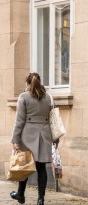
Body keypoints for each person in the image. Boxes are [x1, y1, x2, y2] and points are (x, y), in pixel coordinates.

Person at [10, 73, 53, 205]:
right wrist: (55, 139)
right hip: (45, 135)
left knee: (24, 166)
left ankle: (20, 194)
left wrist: (15, 140)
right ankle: (41, 199)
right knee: (41, 168)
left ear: (27, 83)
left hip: (27, 136)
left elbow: (19, 121)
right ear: (40, 82)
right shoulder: (48, 97)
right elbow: (53, 119)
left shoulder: (23, 97)